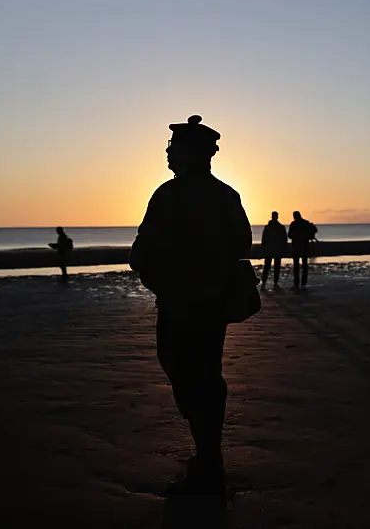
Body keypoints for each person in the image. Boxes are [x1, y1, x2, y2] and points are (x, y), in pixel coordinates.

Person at [129, 115, 251, 497]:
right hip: (212, 303)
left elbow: (143, 250)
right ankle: (209, 455)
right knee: (206, 375)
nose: (167, 154)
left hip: (182, 302)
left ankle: (208, 461)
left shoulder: (169, 194)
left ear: (191, 153)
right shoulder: (226, 194)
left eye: (172, 148)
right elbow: (242, 244)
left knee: (185, 373)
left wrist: (160, 276)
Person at [288, 211, 318, 289]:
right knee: (304, 265)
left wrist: (296, 236)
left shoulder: (294, 224)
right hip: (304, 246)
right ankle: (303, 283)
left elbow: (289, 235)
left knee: (297, 266)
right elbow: (314, 230)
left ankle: (297, 283)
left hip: (297, 247)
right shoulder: (305, 223)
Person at [260, 211, 287, 289]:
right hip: (276, 249)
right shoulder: (280, 227)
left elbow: (264, 239)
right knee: (275, 267)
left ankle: (265, 283)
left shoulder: (269, 227)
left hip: (270, 249)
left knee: (268, 267)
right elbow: (284, 239)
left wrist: (264, 248)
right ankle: (273, 283)